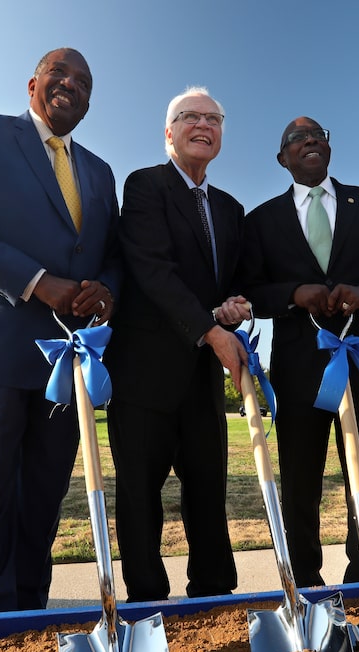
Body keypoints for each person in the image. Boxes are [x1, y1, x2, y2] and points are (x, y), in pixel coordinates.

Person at [0, 48, 120, 613]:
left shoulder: (100, 172)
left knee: (44, 492)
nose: (71, 85)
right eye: (60, 74)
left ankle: (32, 612)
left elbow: (111, 256)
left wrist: (105, 289)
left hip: (67, 354)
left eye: (84, 81)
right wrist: (38, 281)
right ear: (33, 82)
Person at [241, 116, 359, 587]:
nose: (311, 141)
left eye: (319, 134)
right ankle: (305, 589)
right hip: (299, 376)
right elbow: (251, 292)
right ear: (283, 158)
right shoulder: (261, 220)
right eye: (298, 138)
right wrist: (294, 294)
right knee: (300, 486)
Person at [104, 87, 249, 602]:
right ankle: (146, 604)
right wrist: (210, 330)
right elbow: (152, 271)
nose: (203, 125)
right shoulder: (145, 186)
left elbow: (237, 280)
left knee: (209, 493)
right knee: (140, 496)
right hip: (145, 374)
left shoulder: (231, 209)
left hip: (203, 381)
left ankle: (213, 597)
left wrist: (236, 305)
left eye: (215, 118)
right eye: (191, 117)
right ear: (169, 132)